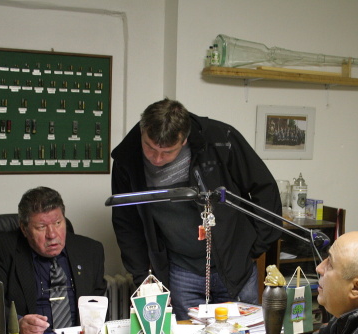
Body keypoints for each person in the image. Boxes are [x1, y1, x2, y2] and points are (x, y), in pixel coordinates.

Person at [110, 98, 282, 320]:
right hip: (182, 268)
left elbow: (265, 188)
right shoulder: (127, 160)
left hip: (234, 265)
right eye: (150, 148)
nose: (157, 159)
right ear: (142, 131)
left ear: (184, 140)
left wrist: (254, 247)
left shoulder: (221, 139)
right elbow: (126, 224)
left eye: (168, 152)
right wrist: (142, 276)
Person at [0, 186, 106, 334]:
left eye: (58, 223)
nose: (52, 234)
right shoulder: (3, 250)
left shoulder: (90, 251)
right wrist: (17, 324)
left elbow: (98, 304)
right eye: (41, 227)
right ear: (24, 229)